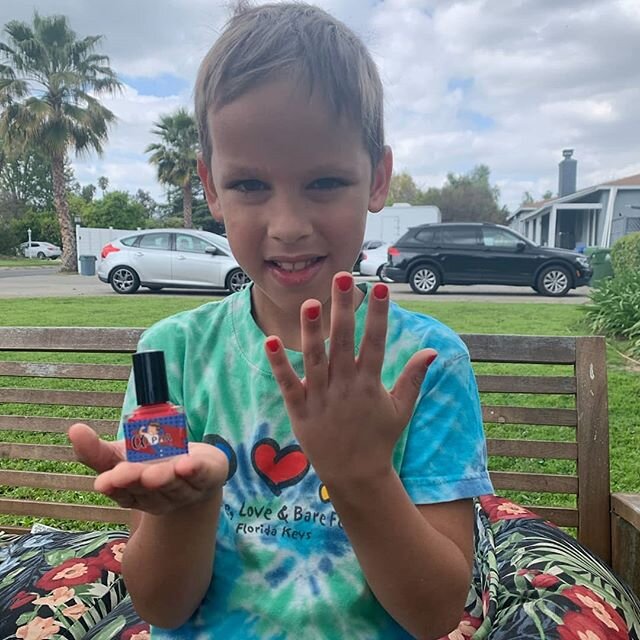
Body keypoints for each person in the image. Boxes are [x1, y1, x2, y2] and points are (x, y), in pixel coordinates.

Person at [69, 3, 493, 638]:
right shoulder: (173, 357)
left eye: (324, 181)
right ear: (210, 187)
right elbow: (161, 608)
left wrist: (361, 474)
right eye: (249, 186)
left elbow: (432, 613)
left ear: (377, 179)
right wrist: (189, 503)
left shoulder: (423, 364)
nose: (289, 225)